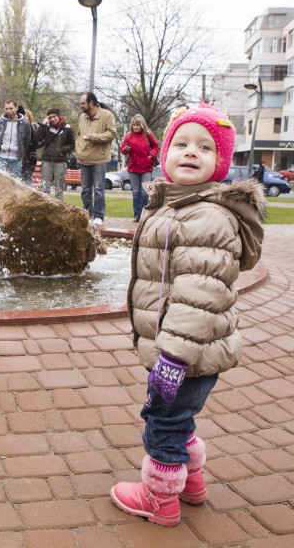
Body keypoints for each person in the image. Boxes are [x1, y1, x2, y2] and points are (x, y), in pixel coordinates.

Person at [109, 103, 264, 528]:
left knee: (162, 421)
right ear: (165, 154)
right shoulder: (175, 206)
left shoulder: (207, 218)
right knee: (179, 417)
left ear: (221, 163)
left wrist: (174, 358)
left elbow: (200, 296)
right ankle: (191, 481)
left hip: (185, 352)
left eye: (205, 147)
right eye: (181, 143)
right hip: (188, 348)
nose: (190, 152)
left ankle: (160, 498)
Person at [76, 92, 117, 225]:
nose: (80, 105)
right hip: (84, 159)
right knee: (85, 190)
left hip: (99, 159)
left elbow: (112, 134)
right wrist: (78, 148)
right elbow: (79, 134)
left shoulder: (107, 115)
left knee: (99, 189)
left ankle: (99, 216)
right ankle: (87, 214)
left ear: (91, 103)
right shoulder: (82, 117)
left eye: (83, 103)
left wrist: (93, 137)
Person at [120, 114, 159, 222]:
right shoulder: (128, 135)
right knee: (136, 191)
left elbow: (156, 146)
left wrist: (151, 155)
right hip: (133, 167)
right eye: (134, 125)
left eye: (137, 125)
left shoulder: (148, 134)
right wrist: (126, 148)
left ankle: (144, 214)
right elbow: (123, 150)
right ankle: (136, 214)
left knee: (144, 191)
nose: (135, 127)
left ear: (142, 125)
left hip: (146, 166)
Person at [33, 108, 75, 200]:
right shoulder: (47, 127)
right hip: (47, 160)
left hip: (60, 161)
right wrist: (43, 125)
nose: (52, 119)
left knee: (59, 188)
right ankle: (45, 208)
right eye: (50, 117)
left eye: (54, 116)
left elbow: (72, 144)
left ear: (58, 116)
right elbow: (37, 139)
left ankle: (59, 208)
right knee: (45, 188)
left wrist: (61, 150)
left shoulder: (67, 128)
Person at [0, 100, 32, 180]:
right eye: (6, 109)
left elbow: (27, 141)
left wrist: (21, 151)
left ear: (16, 108)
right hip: (1, 156)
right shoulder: (0, 121)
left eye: (11, 108)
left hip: (16, 158)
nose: (8, 111)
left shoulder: (25, 123)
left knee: (15, 181)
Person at [20, 108, 40, 184]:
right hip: (20, 155)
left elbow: (39, 141)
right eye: (23, 115)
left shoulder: (34, 127)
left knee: (27, 178)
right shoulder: (19, 126)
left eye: (27, 115)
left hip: (30, 156)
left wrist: (34, 146)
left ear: (30, 117)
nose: (25, 116)